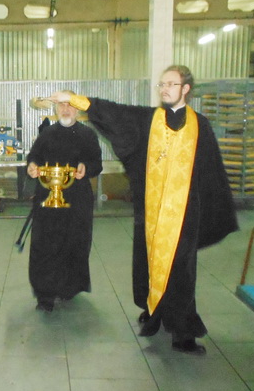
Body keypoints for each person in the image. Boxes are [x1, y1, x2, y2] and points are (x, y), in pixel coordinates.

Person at [47, 65, 238, 354]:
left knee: (181, 271)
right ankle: (154, 311)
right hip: (151, 213)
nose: (164, 89)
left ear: (186, 89)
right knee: (150, 264)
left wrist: (209, 212)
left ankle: (182, 331)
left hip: (185, 214)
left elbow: (211, 173)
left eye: (171, 84)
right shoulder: (150, 120)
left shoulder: (201, 126)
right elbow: (114, 113)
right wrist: (74, 99)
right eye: (162, 84)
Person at [26, 94, 102, 312]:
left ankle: (69, 288)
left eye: (70, 105)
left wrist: (86, 168)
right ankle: (45, 294)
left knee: (74, 243)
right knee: (45, 245)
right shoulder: (47, 133)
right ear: (56, 108)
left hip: (77, 200)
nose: (66, 109)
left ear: (77, 109)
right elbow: (34, 156)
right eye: (61, 105)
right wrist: (32, 166)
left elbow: (96, 163)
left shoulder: (88, 135)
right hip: (47, 199)